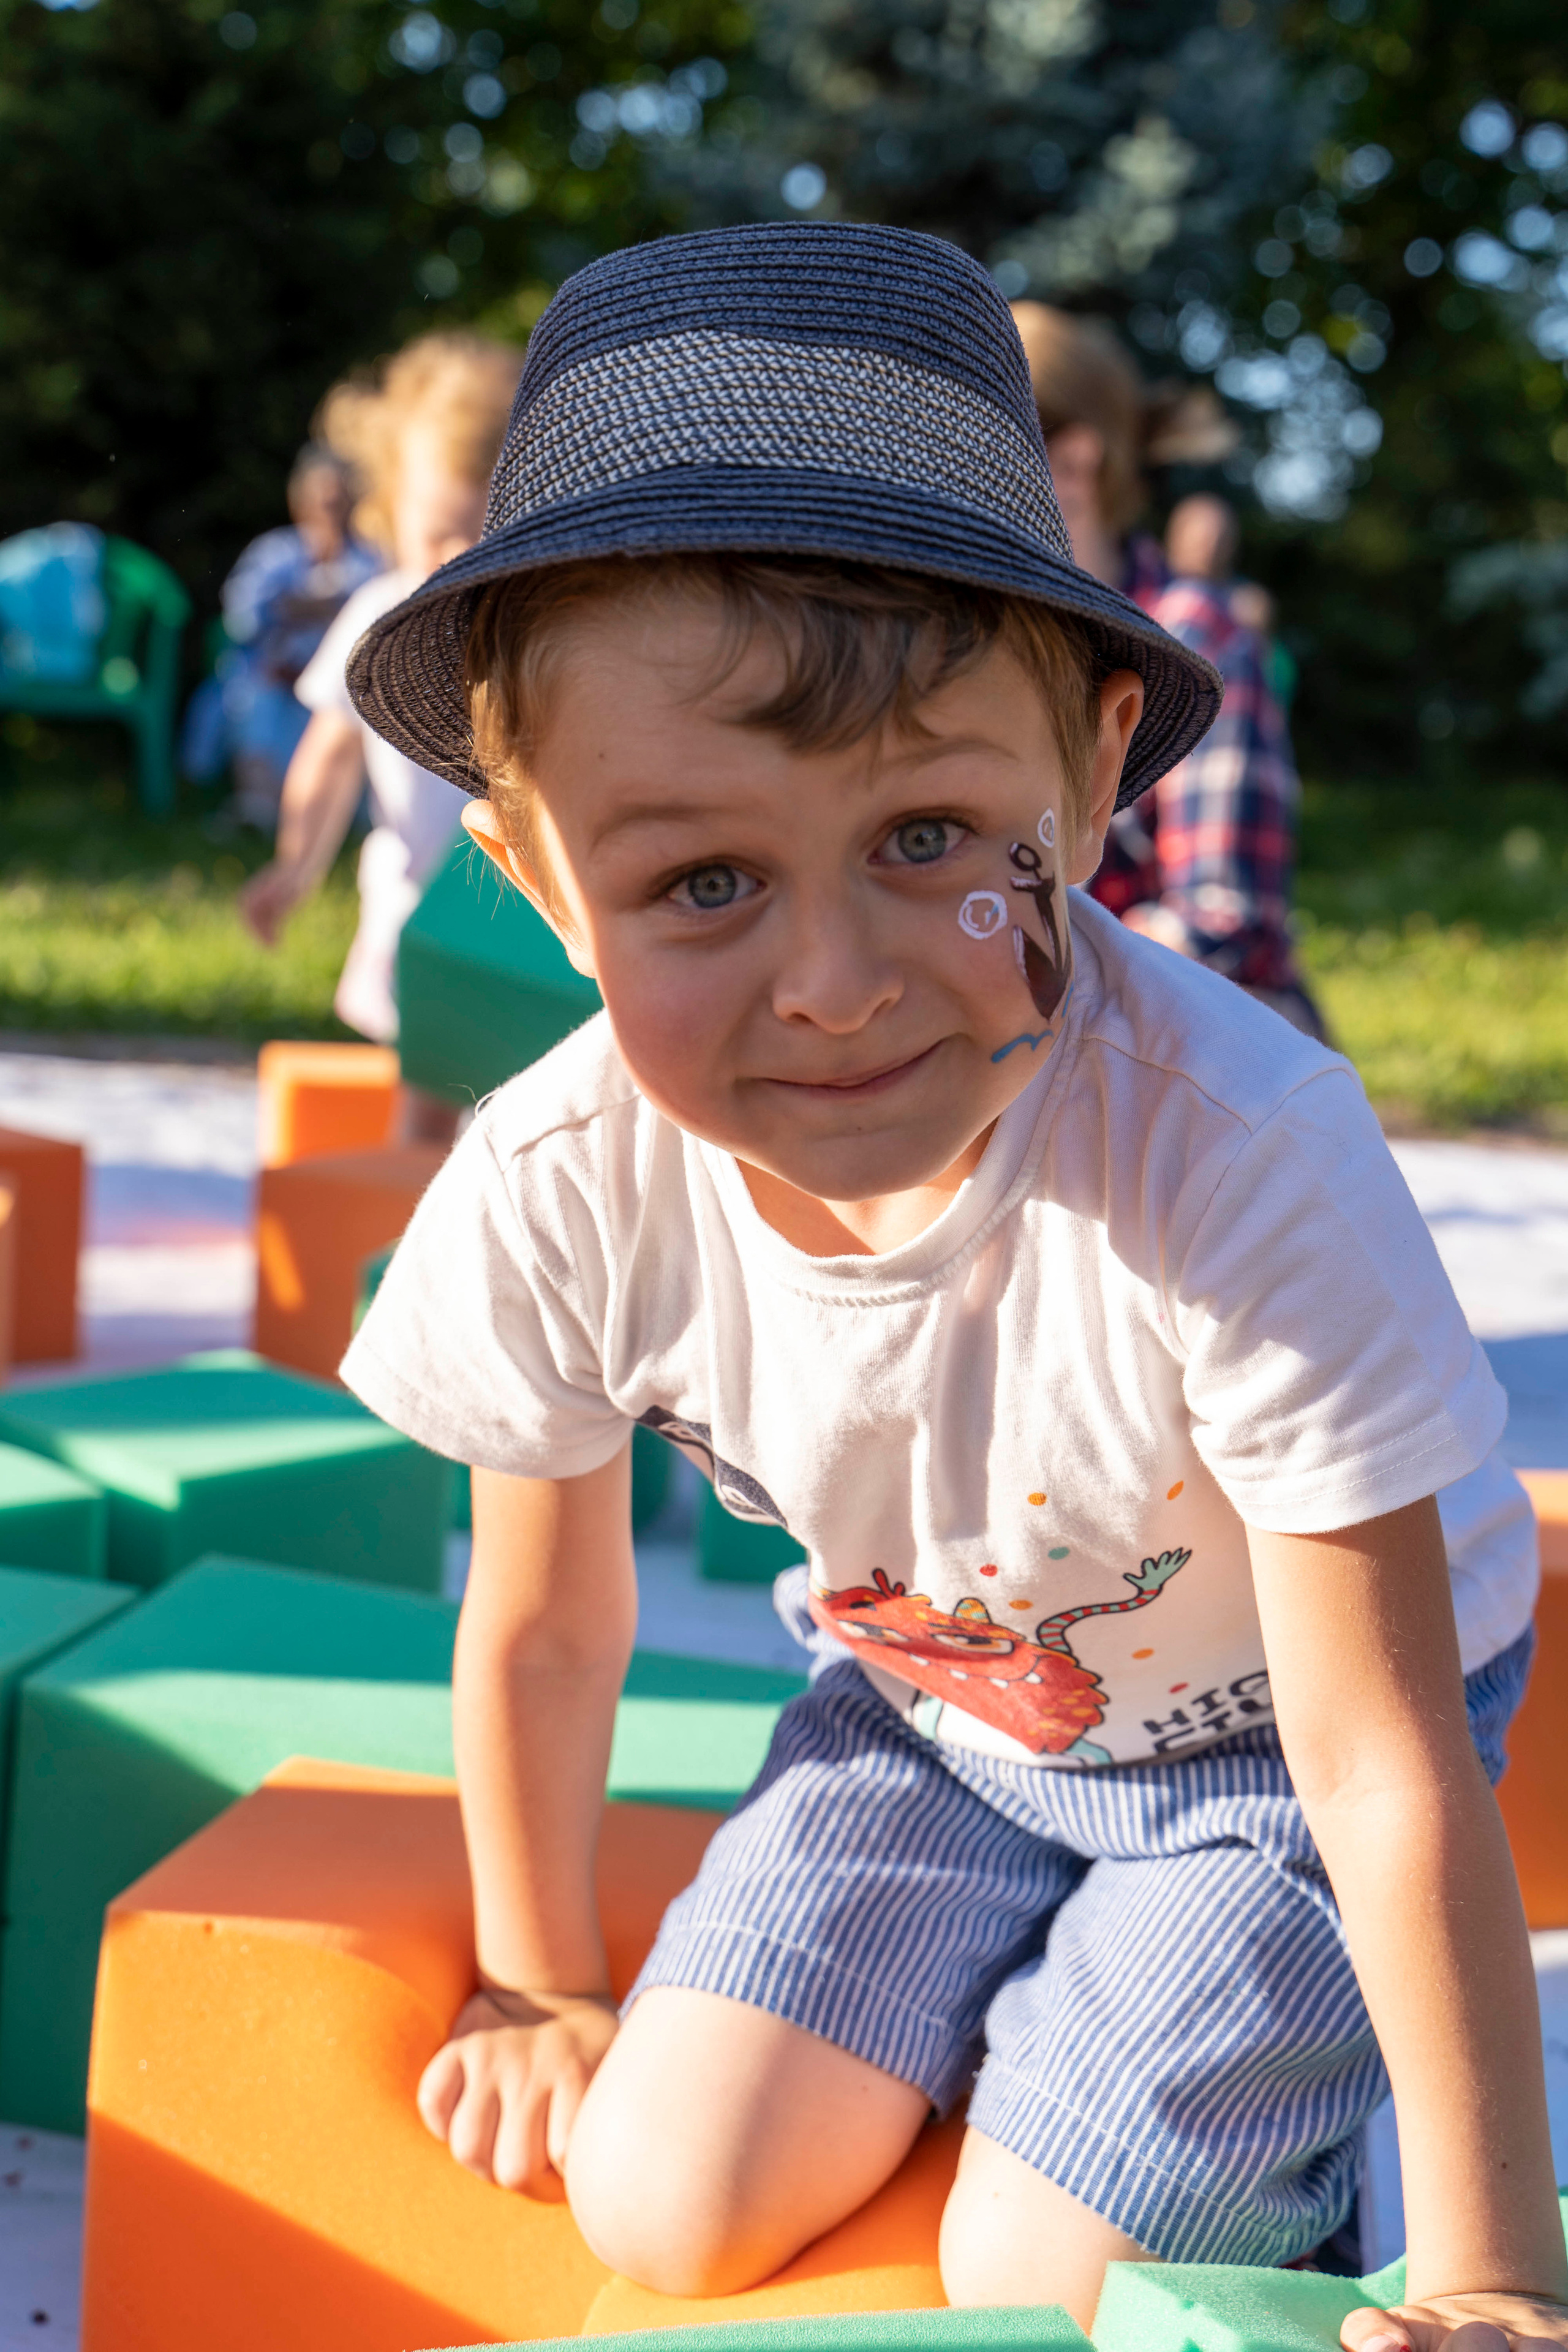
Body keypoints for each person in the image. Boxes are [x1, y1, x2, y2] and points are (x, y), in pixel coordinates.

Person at [340, 225, 1559, 2351]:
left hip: (1279, 1748)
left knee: (1046, 2275)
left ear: (1092, 780)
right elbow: (541, 1619)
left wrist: (1488, 2273)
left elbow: (1377, 1764)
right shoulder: (558, 1175)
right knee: (659, 2191)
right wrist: (542, 1979)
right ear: (532, 870)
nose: (834, 988)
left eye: (928, 837)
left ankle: (1205, 2061)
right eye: (703, 881)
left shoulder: (1233, 1157)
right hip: (938, 1709)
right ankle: (1035, 1995)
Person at [1012, 306, 1321, 1038]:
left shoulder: (1190, 640)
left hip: (1188, 1066)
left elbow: (1220, 925)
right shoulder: (973, 642)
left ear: (1075, 462)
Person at [239, 334, 521, 1120]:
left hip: (532, 928)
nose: (463, 556)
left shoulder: (540, 631)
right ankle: (410, 1241)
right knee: (426, 1117)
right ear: (389, 515)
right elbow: (331, 754)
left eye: (489, 529)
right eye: (438, 534)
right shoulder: (380, 620)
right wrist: (296, 865)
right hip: (419, 921)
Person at [184, 445, 381, 826]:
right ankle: (258, 808)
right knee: (252, 698)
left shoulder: (370, 559)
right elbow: (241, 622)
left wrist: (306, 608)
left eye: (338, 502)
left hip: (347, 687)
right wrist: (313, 608)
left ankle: (335, 817)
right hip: (276, 681)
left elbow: (385, 625)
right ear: (300, 503)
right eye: (321, 502)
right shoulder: (274, 553)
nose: (330, 511)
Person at [1165, 494, 1297, 711]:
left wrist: (1261, 636)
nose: (1212, 549)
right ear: (1177, 537)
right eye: (1203, 539)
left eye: (1222, 539)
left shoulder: (1248, 604)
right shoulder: (1148, 592)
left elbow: (1280, 680)